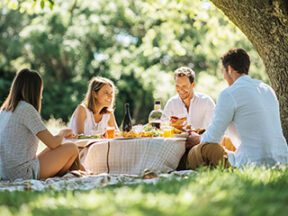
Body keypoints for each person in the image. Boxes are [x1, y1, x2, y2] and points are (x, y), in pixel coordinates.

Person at [186, 48, 288, 169]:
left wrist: (197, 139)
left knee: (203, 149)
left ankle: (177, 169)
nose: (223, 76)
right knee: (225, 142)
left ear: (229, 69)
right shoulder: (267, 89)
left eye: (223, 71)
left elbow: (212, 138)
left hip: (252, 162)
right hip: (282, 159)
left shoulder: (229, 93)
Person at [0, 69, 83, 181]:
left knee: (60, 151)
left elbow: (51, 146)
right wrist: (63, 133)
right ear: (35, 90)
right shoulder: (26, 109)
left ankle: (80, 170)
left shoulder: (4, 110)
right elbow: (53, 143)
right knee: (72, 148)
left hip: (5, 172)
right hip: (21, 173)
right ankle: (81, 171)